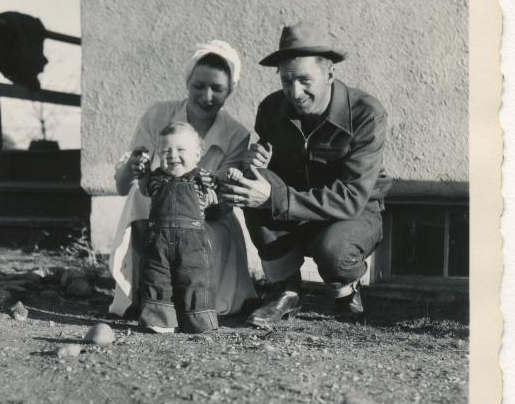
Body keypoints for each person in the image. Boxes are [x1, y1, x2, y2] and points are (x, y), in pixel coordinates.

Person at [221, 21, 391, 325]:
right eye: (286, 81)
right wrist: (256, 164)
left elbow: (352, 198)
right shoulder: (271, 109)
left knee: (334, 249)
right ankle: (284, 292)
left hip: (352, 214)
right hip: (294, 207)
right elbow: (268, 176)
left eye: (304, 80)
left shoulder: (366, 113)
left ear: (329, 73)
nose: (294, 92)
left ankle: (345, 292)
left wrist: (276, 198)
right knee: (251, 186)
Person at [109, 41, 257, 319]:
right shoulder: (158, 116)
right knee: (138, 198)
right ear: (187, 82)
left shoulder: (235, 134)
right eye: (199, 86)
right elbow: (121, 186)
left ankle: (190, 301)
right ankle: (143, 293)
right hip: (156, 211)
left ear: (231, 90)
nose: (207, 96)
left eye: (217, 89)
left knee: (195, 248)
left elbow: (222, 204)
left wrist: (197, 200)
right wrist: (134, 165)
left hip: (206, 218)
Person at [138, 122, 220, 334]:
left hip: (192, 241)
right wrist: (143, 170)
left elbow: (218, 195)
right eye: (165, 151)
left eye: (181, 150)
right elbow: (143, 187)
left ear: (197, 154)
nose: (172, 155)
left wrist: (226, 183)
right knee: (156, 276)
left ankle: (197, 320)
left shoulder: (202, 178)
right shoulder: (156, 178)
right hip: (158, 239)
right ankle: (159, 320)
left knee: (195, 278)